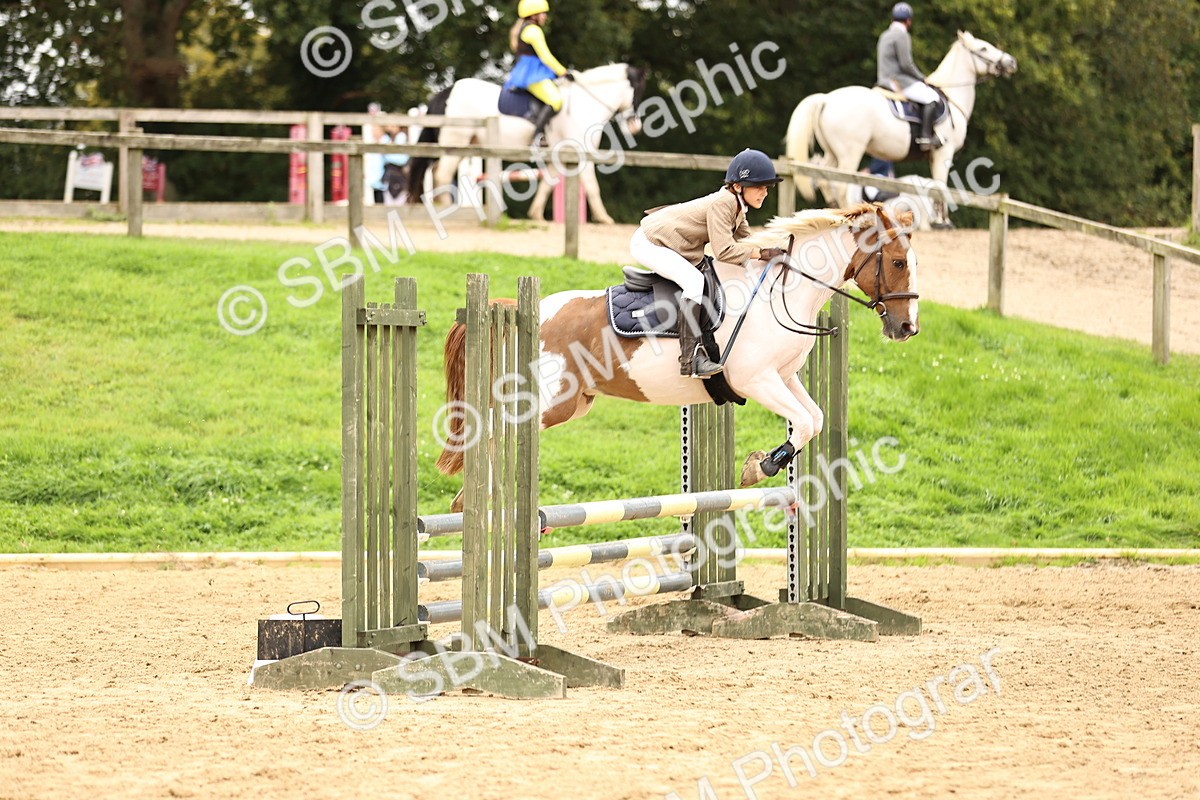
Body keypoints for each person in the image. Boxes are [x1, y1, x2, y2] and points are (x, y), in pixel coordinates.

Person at [630, 149, 788, 379]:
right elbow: (724, 251)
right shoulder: (723, 203)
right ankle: (690, 358)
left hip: (670, 242)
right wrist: (763, 252)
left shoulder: (737, 206)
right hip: (649, 242)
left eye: (767, 187)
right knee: (694, 282)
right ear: (737, 186)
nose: (764, 192)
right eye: (758, 186)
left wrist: (778, 246)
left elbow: (747, 241)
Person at [503, 0, 572, 146]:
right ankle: (537, 137)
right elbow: (545, 57)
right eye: (543, 13)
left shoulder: (525, 28)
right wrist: (563, 72)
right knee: (555, 100)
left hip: (530, 70)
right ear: (533, 15)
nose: (545, 16)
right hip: (532, 73)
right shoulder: (533, 31)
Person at [877, 2, 940, 151]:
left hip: (882, 79)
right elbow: (906, 64)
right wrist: (922, 78)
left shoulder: (885, 35)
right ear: (908, 21)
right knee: (932, 97)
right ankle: (925, 138)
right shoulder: (902, 35)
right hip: (897, 81)